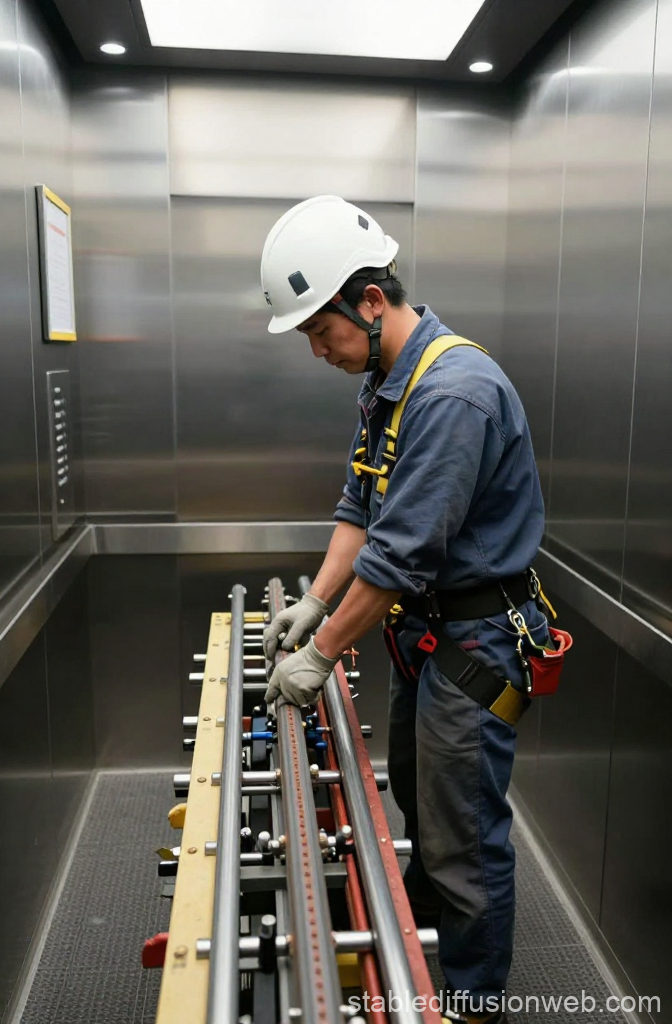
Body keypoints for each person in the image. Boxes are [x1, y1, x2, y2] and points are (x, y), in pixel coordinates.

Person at [260, 195, 549, 1024]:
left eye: (322, 331)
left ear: (370, 301)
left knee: (463, 834)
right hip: (426, 633)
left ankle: (472, 1001)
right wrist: (317, 602)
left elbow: (401, 556)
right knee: (423, 802)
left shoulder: (453, 393)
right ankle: (419, 950)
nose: (319, 350)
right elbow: (360, 505)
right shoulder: (391, 380)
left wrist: (320, 655)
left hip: (474, 641)